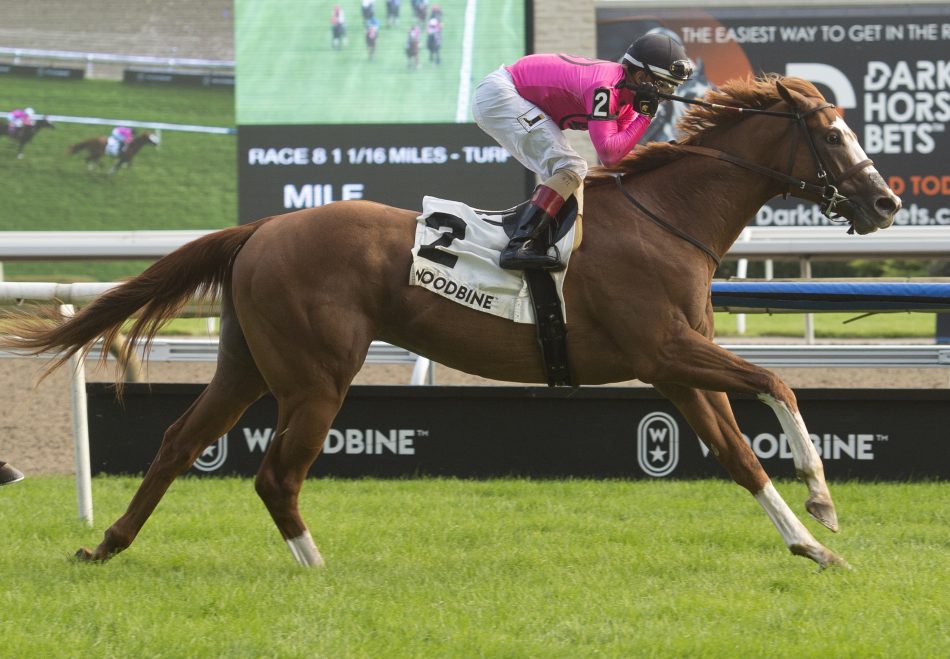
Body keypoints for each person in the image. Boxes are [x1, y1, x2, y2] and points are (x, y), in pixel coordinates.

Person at [472, 33, 693, 270]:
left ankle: (546, 242)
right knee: (571, 167)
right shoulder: (605, 88)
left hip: (509, 92)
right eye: (664, 85)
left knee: (568, 176)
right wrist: (646, 117)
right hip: (501, 94)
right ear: (641, 77)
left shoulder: (626, 99)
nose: (666, 95)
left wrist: (660, 150)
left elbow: (618, 155)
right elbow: (608, 154)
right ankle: (519, 245)